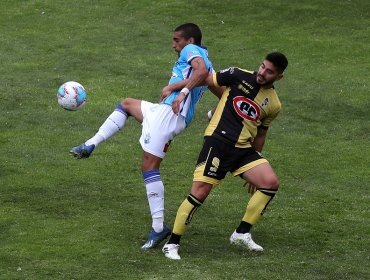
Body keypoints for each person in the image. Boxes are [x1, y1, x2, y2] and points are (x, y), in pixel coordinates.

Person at [70, 23, 221, 249]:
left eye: (176, 40)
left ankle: (159, 228)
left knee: (149, 168)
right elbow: (210, 81)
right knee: (127, 104)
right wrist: (209, 107)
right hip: (166, 112)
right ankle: (90, 144)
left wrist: (181, 93)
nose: (173, 45)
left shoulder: (192, 52)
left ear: (189, 41)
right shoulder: (205, 58)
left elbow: (199, 73)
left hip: (169, 115)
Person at [162, 52, 288, 260]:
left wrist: (257, 160)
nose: (263, 73)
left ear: (279, 77)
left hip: (244, 150)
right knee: (200, 193)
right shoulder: (237, 74)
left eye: (270, 72)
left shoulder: (274, 104)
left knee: (270, 182)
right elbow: (206, 79)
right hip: (218, 142)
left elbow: (261, 133)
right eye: (263, 67)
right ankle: (172, 244)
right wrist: (184, 92)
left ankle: (241, 233)